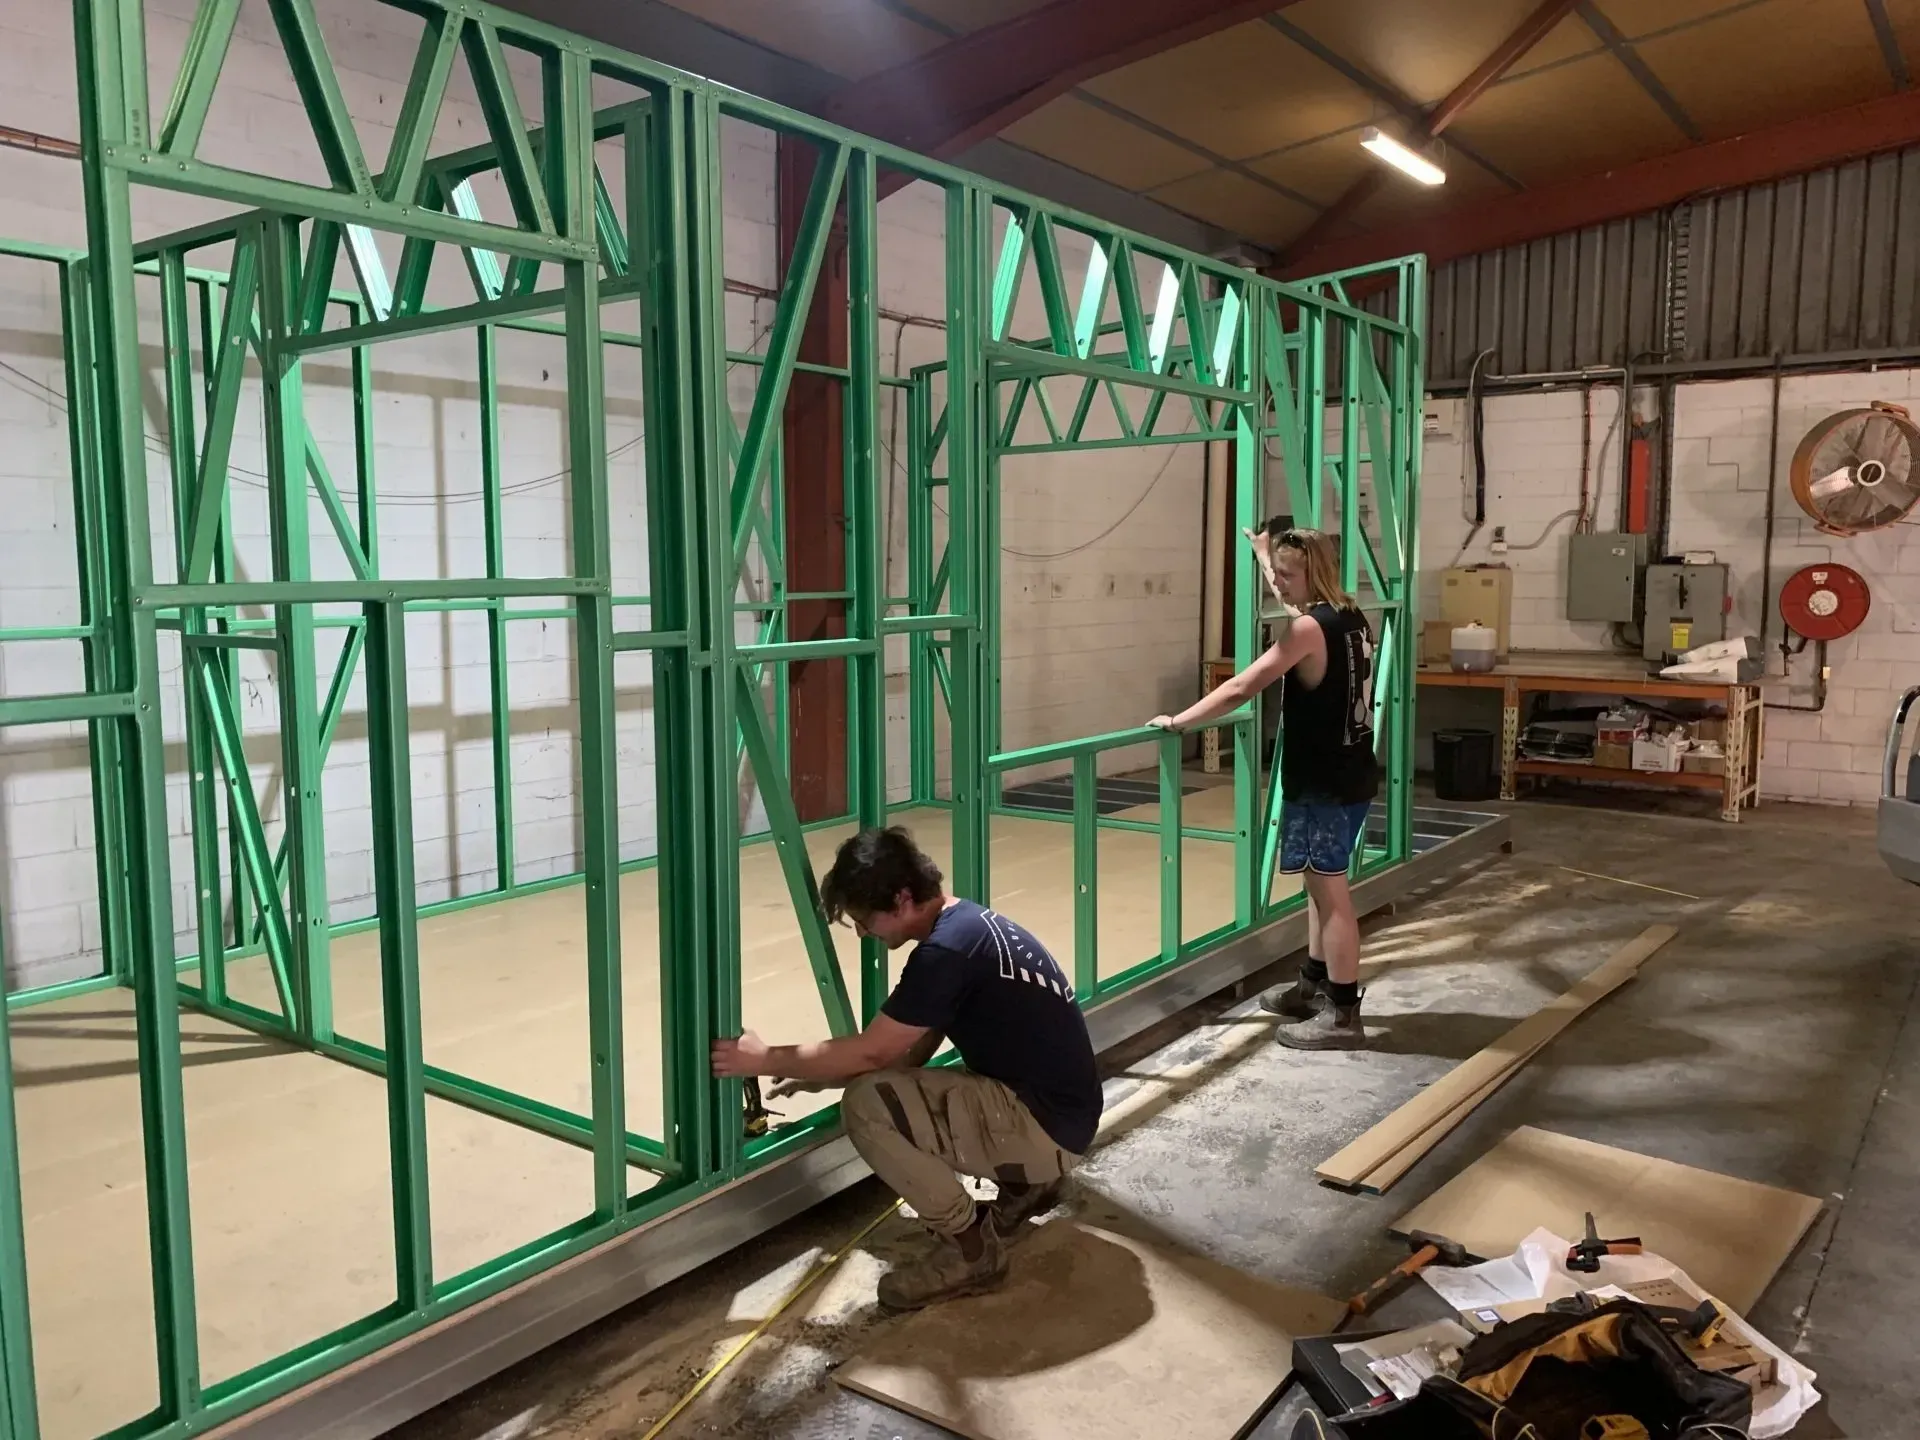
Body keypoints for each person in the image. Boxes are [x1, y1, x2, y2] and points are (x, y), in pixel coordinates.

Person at [711, 826, 1100, 1311]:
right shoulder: (970, 925)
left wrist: (762, 1057)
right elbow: (904, 1055)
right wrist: (819, 1074)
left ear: (900, 900)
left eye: (863, 918)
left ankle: (972, 1250)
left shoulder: (944, 955)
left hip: (1045, 1127)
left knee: (867, 1108)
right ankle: (1028, 1183)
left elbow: (875, 1054)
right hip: (1065, 1116)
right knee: (886, 1088)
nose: (861, 932)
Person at [1148, 521, 1378, 1050]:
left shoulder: (1305, 630)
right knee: (1319, 889)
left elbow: (1240, 686)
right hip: (1350, 773)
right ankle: (1316, 983)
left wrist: (1181, 722)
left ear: (1311, 573)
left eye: (1287, 574)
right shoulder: (1348, 615)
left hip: (1324, 781)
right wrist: (1260, 554)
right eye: (1277, 572)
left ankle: (1344, 1013)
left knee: (1332, 895)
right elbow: (1296, 601)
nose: (1279, 582)